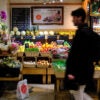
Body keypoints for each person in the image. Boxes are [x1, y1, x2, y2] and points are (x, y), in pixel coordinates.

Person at [64, 8, 100, 100]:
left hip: (80, 71)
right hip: (85, 70)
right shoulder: (87, 31)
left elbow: (78, 55)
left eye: (74, 17)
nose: (72, 20)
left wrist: (72, 72)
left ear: (80, 18)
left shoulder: (83, 33)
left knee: (77, 93)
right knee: (77, 92)